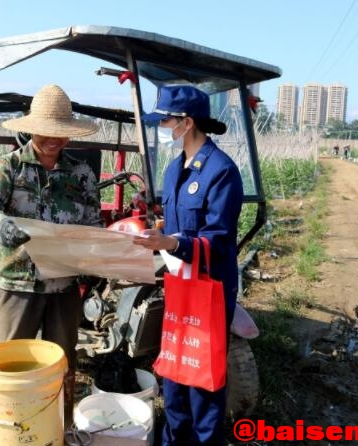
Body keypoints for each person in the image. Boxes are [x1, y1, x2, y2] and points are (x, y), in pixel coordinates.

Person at [0, 84, 102, 426]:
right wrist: (1, 226)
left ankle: (60, 426)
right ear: (32, 128)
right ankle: (15, 428)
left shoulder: (81, 174)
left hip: (63, 287)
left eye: (60, 134)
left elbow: (93, 224)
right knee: (12, 366)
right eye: (46, 132)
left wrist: (99, 254)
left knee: (63, 364)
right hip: (17, 285)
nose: (53, 140)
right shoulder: (10, 167)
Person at [133, 85, 243, 445]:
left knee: (203, 376)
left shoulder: (221, 171)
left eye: (167, 120)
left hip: (209, 289)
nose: (164, 127)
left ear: (187, 122)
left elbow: (220, 241)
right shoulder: (174, 170)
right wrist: (162, 229)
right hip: (180, 285)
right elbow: (179, 221)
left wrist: (171, 242)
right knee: (176, 371)